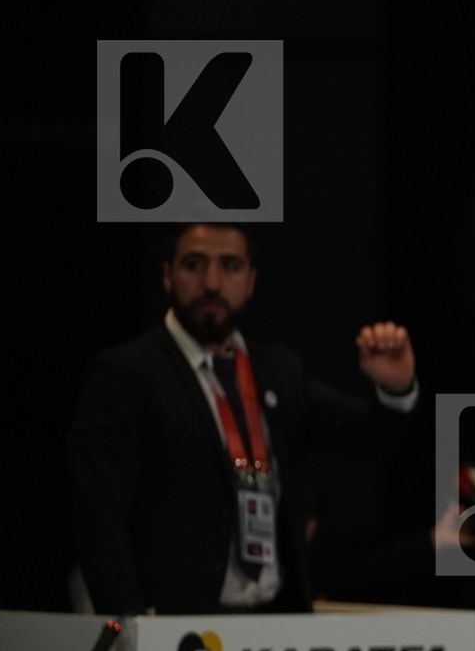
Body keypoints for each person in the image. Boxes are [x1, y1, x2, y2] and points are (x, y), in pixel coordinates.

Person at [68, 222, 421, 616]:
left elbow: (363, 438)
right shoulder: (127, 372)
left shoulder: (278, 370)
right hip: (172, 621)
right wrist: (129, 619)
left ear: (251, 281)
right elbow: (99, 514)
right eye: (194, 265)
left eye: (231, 266)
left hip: (270, 618)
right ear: (167, 275)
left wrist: (395, 390)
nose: (212, 282)